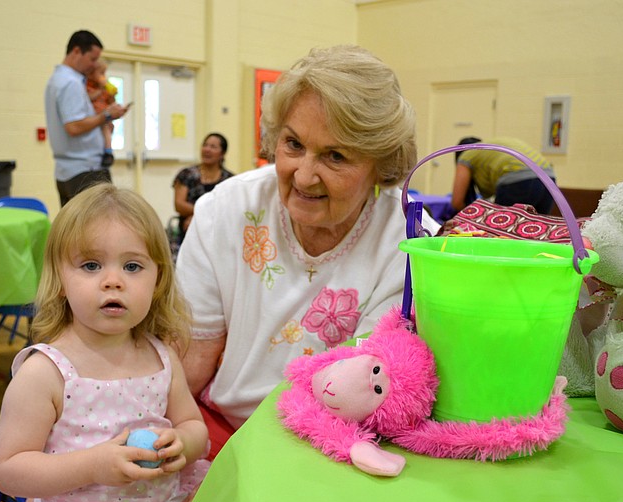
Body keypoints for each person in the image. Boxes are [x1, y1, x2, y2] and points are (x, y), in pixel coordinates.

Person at [175, 45, 439, 459]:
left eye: (336, 155)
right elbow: (190, 365)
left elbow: (367, 396)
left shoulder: (413, 246)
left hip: (339, 444)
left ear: (381, 165)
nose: (303, 174)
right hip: (220, 432)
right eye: (293, 144)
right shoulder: (224, 211)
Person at [0, 184, 209, 502]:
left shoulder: (161, 357)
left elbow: (193, 427)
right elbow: (8, 470)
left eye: (132, 266)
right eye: (91, 266)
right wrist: (93, 466)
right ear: (60, 280)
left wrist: (180, 442)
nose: (113, 280)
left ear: (158, 280)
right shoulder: (46, 372)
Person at [45, 30, 129, 207]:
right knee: (97, 229)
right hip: (85, 171)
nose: (93, 65)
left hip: (69, 171)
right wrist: (107, 115)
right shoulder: (71, 83)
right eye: (92, 59)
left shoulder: (58, 79)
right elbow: (74, 126)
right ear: (76, 51)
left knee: (76, 230)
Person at [451, 136, 556, 214]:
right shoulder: (490, 147)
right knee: (537, 230)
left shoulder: (466, 155)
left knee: (500, 228)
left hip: (518, 178)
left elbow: (457, 202)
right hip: (549, 177)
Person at [172, 133, 234, 234]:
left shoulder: (229, 179)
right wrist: (204, 214)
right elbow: (179, 205)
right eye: (205, 145)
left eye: (213, 147)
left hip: (218, 228)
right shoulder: (186, 174)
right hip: (188, 228)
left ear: (223, 153)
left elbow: (229, 209)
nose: (207, 149)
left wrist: (198, 216)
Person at [86, 58, 118, 168]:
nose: (104, 76)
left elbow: (111, 102)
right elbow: (87, 98)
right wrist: (100, 89)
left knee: (108, 129)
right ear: (90, 74)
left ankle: (108, 151)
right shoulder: (87, 86)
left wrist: (112, 95)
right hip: (93, 118)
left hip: (104, 118)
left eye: (104, 73)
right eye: (101, 73)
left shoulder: (104, 89)